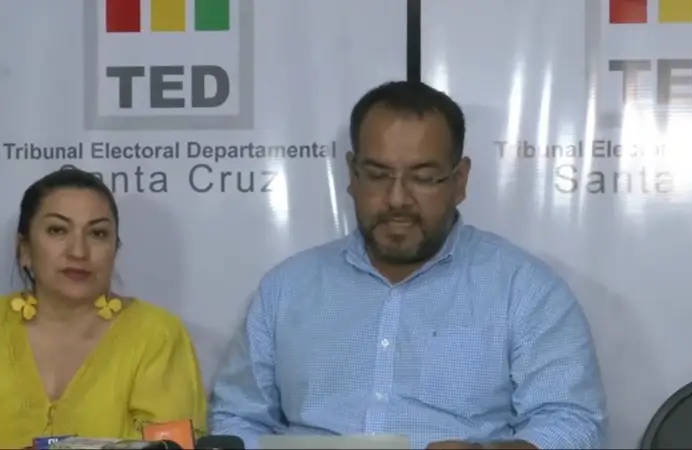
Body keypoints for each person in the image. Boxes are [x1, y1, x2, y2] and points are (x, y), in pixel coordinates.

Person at [209, 81, 607, 449]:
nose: (397, 199)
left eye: (423, 177)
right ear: (352, 174)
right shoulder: (286, 289)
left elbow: (573, 423)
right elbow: (237, 418)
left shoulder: (525, 290)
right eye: (378, 175)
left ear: (460, 180)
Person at [0, 168, 207, 448]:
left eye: (97, 233)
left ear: (114, 250)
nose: (78, 252)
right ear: (24, 248)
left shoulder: (157, 336)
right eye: (58, 230)